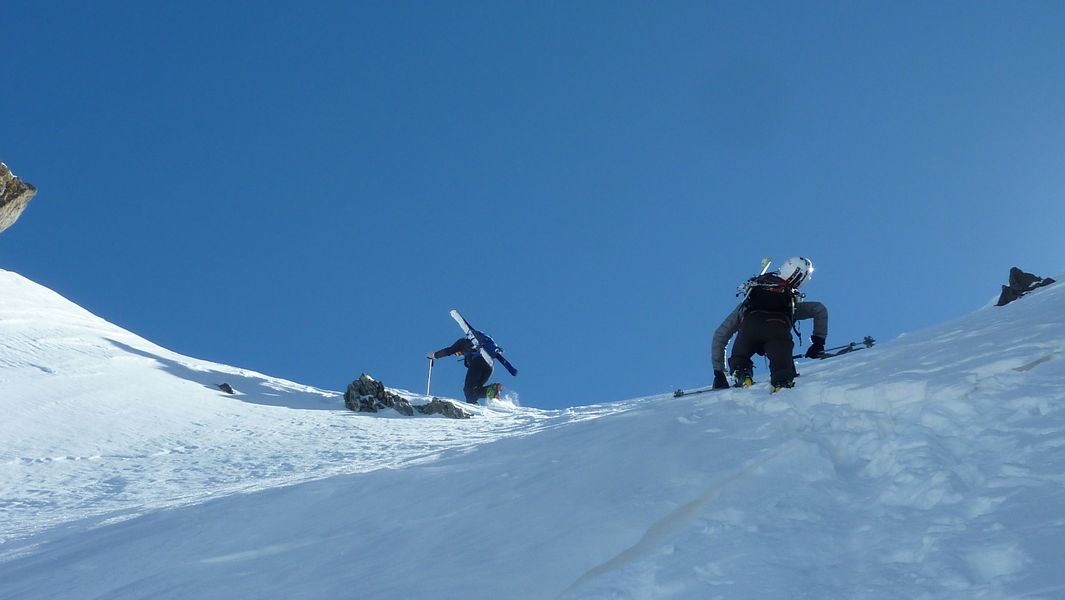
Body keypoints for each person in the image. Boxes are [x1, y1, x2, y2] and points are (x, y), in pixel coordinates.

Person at [710, 257, 828, 392]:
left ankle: (741, 372)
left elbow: (720, 335)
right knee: (782, 366)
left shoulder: (751, 299)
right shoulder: (790, 300)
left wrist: (718, 373)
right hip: (778, 328)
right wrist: (818, 344)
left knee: (740, 358)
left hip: (750, 327)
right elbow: (819, 310)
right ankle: (782, 382)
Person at [427, 338, 502, 404]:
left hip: (478, 362)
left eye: (456, 354)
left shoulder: (462, 343)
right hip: (489, 367)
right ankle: (493, 390)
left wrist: (435, 355)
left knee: (468, 389)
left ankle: (473, 408)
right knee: (474, 391)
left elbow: (449, 351)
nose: (458, 355)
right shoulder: (472, 351)